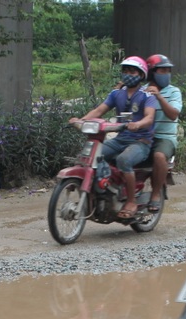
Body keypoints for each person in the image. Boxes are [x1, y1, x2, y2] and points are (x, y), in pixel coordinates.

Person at [71, 56, 158, 219]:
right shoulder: (116, 94)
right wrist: (81, 120)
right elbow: (99, 111)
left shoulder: (147, 96)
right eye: (125, 71)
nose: (128, 74)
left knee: (124, 160)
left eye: (132, 71)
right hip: (121, 139)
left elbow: (149, 117)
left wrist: (138, 124)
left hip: (141, 142)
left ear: (141, 75)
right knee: (91, 155)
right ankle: (106, 188)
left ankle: (131, 201)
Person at [144, 54, 182, 213]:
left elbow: (173, 114)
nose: (166, 74)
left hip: (164, 138)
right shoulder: (142, 91)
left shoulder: (174, 92)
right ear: (152, 73)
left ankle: (155, 195)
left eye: (168, 71)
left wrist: (159, 97)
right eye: (162, 71)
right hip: (143, 136)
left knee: (159, 156)